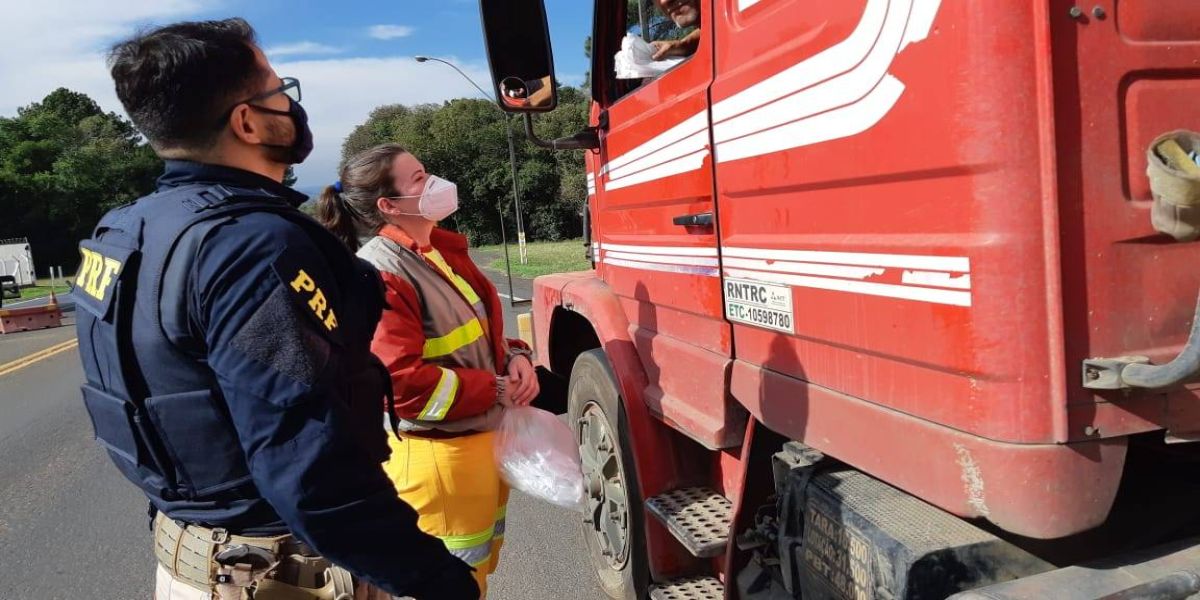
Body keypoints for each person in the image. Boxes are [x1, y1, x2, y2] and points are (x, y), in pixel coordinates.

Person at [75, 18, 478, 600]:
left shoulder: (126, 231)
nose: (291, 105)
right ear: (247, 121)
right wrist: (438, 583)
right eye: (277, 91)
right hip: (276, 574)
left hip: (188, 557)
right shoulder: (252, 245)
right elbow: (310, 466)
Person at [316, 144, 541, 597]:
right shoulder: (382, 271)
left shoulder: (436, 250)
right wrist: (496, 388)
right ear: (388, 206)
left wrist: (516, 356)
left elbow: (477, 334)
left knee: (475, 575)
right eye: (418, 178)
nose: (434, 182)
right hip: (440, 459)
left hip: (475, 443)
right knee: (445, 584)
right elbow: (402, 385)